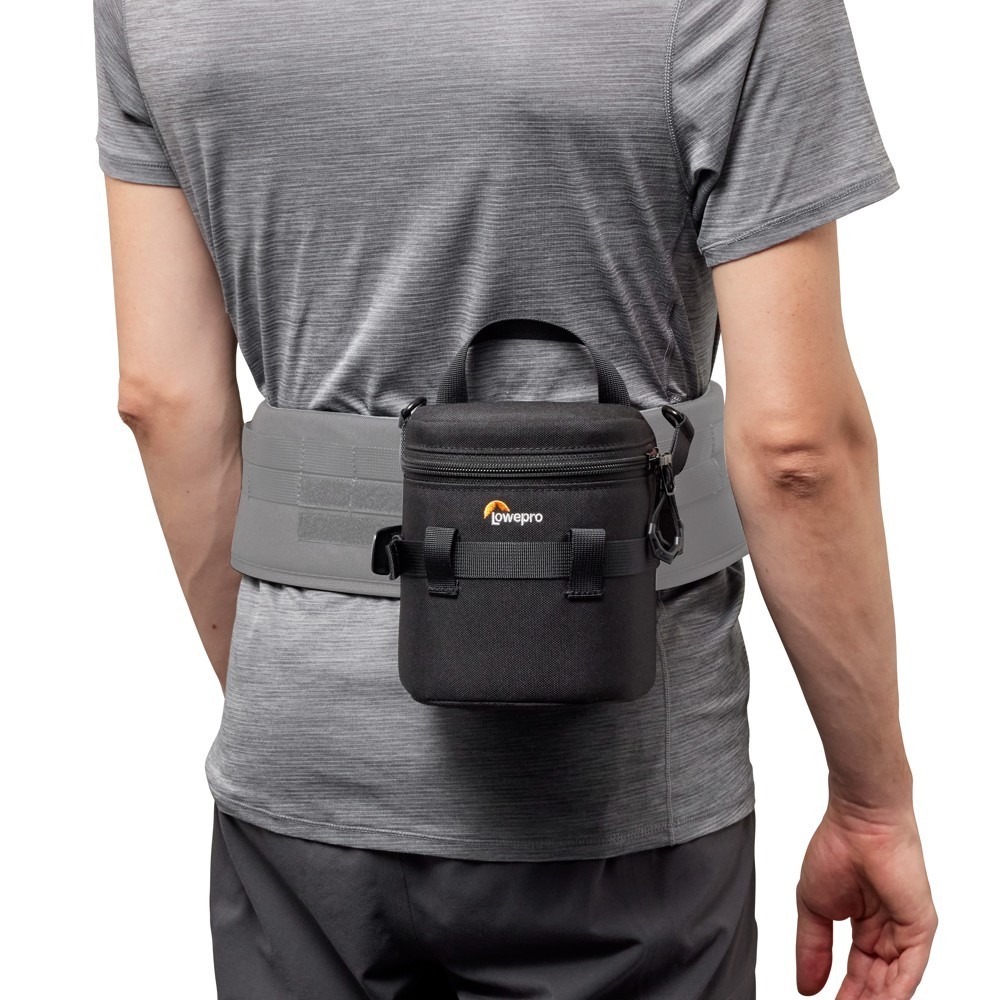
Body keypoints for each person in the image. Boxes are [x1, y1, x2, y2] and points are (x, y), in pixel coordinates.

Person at [93, 0, 936, 996]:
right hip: (624, 795)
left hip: (299, 781)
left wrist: (298, 687)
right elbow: (797, 449)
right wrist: (871, 803)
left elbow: (164, 398)